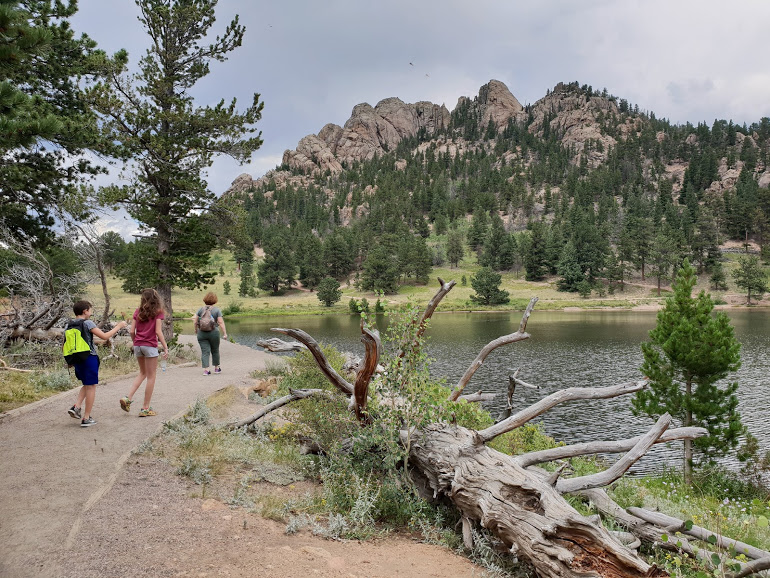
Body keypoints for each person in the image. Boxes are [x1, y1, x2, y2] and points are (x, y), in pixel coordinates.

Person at [67, 301, 128, 427]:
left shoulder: (69, 324)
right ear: (85, 311)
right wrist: (118, 326)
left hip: (76, 358)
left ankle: (76, 407)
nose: (91, 312)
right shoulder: (88, 323)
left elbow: (65, 343)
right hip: (89, 357)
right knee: (91, 386)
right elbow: (104, 336)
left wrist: (69, 361)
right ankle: (86, 418)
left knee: (86, 384)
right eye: (90, 310)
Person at [120, 288, 169, 417]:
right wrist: (165, 347)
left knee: (142, 373)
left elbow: (131, 331)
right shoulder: (158, 312)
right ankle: (145, 408)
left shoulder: (138, 311)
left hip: (138, 345)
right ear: (156, 299)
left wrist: (136, 342)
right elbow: (158, 332)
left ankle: (127, 398)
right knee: (151, 376)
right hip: (150, 346)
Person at [193, 291, 227, 375]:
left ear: (205, 300)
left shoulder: (200, 309)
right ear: (215, 300)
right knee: (215, 350)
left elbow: (195, 321)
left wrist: (196, 330)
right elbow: (220, 322)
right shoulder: (217, 310)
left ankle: (206, 370)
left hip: (202, 333)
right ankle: (216, 368)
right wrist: (224, 333)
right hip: (214, 332)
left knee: (205, 351)